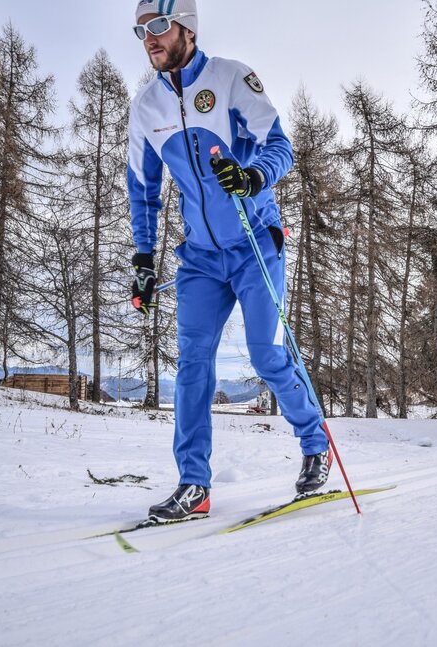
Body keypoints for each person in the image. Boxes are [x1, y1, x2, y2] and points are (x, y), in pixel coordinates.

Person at [127, 0, 331, 524]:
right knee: (193, 365)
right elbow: (143, 190)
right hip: (199, 258)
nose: (148, 38)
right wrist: (144, 259)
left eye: (157, 26)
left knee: (267, 356)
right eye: (140, 30)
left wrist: (255, 177)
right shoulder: (146, 108)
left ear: (186, 28)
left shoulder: (232, 78)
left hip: (255, 244)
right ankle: (195, 485)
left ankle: (315, 443)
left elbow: (280, 145)